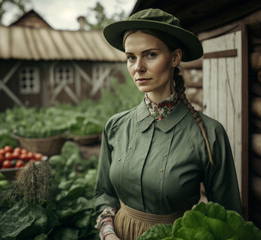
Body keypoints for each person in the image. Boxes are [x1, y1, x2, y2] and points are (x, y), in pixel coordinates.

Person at [94, 8, 242, 240]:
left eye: (150, 55)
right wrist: (108, 233)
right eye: (131, 57)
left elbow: (228, 218)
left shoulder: (210, 134)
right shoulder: (115, 127)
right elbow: (104, 193)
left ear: (175, 58)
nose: (138, 67)